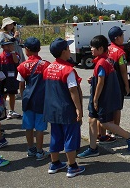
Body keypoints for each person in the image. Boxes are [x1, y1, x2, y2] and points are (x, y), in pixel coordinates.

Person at [87, 35, 130, 152]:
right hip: (102, 96)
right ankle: (92, 147)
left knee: (105, 123)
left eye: (93, 48)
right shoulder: (106, 60)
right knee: (92, 120)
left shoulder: (102, 62)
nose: (91, 50)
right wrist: (93, 78)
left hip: (101, 97)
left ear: (100, 49)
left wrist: (95, 99)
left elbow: (101, 82)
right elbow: (101, 77)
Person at [43, 38, 85, 178]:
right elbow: (73, 91)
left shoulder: (48, 68)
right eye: (68, 48)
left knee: (55, 135)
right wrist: (78, 109)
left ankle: (54, 163)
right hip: (66, 109)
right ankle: (72, 166)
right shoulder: (68, 70)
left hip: (52, 109)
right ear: (63, 52)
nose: (69, 51)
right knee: (70, 137)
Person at [16, 37, 51, 160]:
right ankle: (40, 151)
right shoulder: (46, 64)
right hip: (41, 99)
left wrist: (23, 97)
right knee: (40, 127)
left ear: (26, 50)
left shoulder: (22, 66)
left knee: (28, 126)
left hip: (27, 98)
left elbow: (21, 84)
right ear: (39, 49)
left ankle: (31, 148)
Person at [106, 26, 130, 140]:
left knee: (108, 107)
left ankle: (108, 129)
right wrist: (127, 85)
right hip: (117, 84)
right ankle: (115, 131)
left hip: (106, 83)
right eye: (122, 35)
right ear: (117, 38)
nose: (123, 37)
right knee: (117, 108)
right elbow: (123, 70)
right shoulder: (120, 52)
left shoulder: (107, 49)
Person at [0, 36, 22, 120]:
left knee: (12, 94)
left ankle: (11, 110)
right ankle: (3, 109)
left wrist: (13, 52)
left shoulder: (15, 55)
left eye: (10, 45)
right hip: (3, 79)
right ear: (2, 47)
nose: (8, 47)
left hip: (12, 78)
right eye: (6, 45)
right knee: (3, 94)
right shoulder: (0, 57)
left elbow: (16, 61)